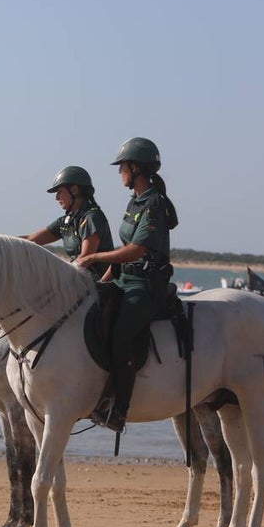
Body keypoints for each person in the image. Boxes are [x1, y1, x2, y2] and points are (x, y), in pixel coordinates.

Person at [75, 137, 179, 432]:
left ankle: (119, 409)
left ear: (135, 168)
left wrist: (93, 257)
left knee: (120, 334)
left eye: (122, 166)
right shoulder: (135, 201)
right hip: (125, 278)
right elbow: (123, 253)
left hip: (146, 285)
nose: (119, 171)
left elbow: (136, 250)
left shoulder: (154, 204)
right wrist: (102, 279)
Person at [22, 165, 115, 280]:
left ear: (74, 190)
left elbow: (85, 258)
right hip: (78, 280)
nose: (57, 197)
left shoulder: (92, 217)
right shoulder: (66, 221)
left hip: (97, 283)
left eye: (59, 192)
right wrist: (2, 242)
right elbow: (31, 239)